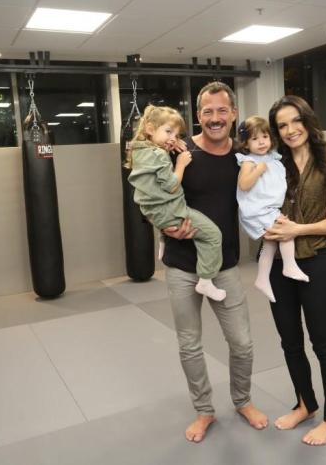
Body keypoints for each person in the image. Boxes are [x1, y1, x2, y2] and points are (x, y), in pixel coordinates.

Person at [162, 82, 268, 442]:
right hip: (181, 265)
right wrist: (164, 226)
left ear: (234, 114)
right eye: (208, 111)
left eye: (222, 110)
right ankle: (204, 410)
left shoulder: (242, 157)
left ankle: (243, 400)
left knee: (242, 343)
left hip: (223, 266)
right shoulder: (180, 152)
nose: (215, 118)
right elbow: (151, 196)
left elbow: (264, 190)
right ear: (198, 115)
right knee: (190, 344)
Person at [264, 95, 326, 446]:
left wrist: (297, 230)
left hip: (315, 261)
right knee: (289, 342)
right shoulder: (273, 164)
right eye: (282, 125)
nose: (290, 130)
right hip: (277, 264)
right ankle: (305, 404)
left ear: (307, 120)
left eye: (295, 121)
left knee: (323, 343)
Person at [126, 105, 226, 301]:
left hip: (155, 212)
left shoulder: (140, 150)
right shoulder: (159, 155)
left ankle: (163, 242)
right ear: (150, 129)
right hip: (171, 211)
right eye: (168, 131)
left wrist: (171, 141)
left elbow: (156, 174)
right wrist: (180, 164)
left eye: (177, 134)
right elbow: (171, 186)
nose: (173, 138)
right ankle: (206, 280)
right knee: (213, 235)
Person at [234, 116, 309, 303]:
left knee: (270, 244)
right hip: (258, 209)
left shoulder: (273, 158)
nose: (261, 142)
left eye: (265, 137)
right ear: (246, 143)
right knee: (285, 229)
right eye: (255, 139)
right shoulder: (249, 161)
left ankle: (262, 278)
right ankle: (289, 265)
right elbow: (243, 184)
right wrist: (258, 170)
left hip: (269, 208)